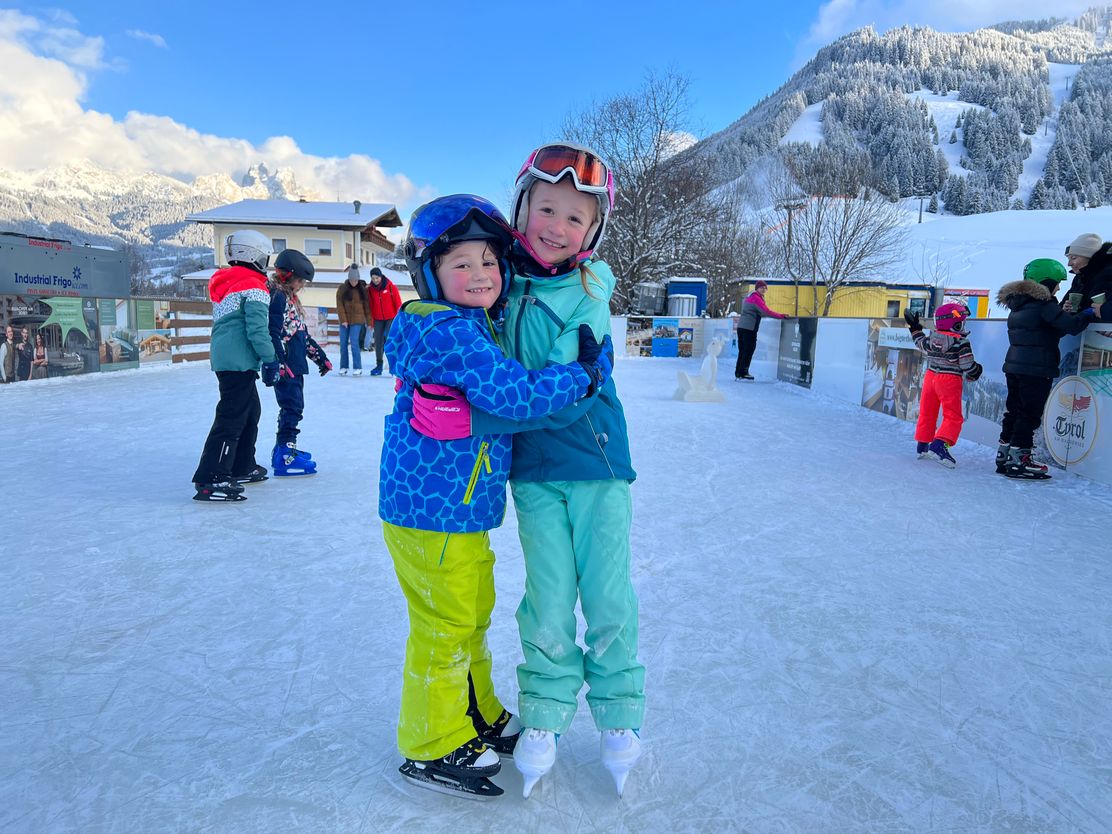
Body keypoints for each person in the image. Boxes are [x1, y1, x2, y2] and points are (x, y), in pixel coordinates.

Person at [410, 143, 644, 798]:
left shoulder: (588, 294)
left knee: (605, 597)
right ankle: (541, 715)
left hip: (594, 463)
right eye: (547, 208)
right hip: (533, 472)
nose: (556, 226)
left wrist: (473, 421)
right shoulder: (500, 282)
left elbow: (564, 390)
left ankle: (620, 715)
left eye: (575, 218)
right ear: (523, 208)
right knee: (544, 600)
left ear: (592, 232)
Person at [190, 230, 277, 502]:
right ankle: (211, 477)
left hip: (227, 357)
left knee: (250, 411)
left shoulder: (228, 282)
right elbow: (257, 330)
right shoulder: (254, 286)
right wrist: (271, 359)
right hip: (238, 360)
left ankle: (241, 465)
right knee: (232, 417)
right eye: (265, 256)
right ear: (253, 254)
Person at [995, 259, 1094, 480]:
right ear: (1046, 282)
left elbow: (1044, 331)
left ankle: (1005, 455)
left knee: (1014, 410)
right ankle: (1020, 459)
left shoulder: (1020, 304)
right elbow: (1071, 327)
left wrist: (1060, 311)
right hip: (1036, 368)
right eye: (1057, 283)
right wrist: (1086, 314)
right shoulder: (1043, 305)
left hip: (1014, 365)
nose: (1059, 288)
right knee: (1028, 414)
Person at [267, 249, 332, 477]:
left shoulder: (289, 299)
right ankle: (285, 454)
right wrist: (279, 362)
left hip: (294, 364)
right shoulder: (277, 297)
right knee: (292, 407)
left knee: (293, 407)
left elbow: (300, 334)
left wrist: (320, 359)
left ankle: (283, 450)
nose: (302, 284)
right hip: (287, 366)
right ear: (288, 276)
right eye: (300, 280)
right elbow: (272, 332)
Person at [904, 303, 982, 468]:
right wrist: (976, 371)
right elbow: (967, 365)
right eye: (962, 322)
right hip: (949, 380)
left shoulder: (932, 338)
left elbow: (919, 342)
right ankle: (940, 445)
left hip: (931, 378)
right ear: (956, 324)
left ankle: (923, 445)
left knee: (928, 411)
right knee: (953, 416)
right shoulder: (961, 342)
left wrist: (914, 327)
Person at [734, 280, 788, 380]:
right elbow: (766, 311)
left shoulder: (750, 297)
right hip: (748, 328)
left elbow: (759, 312)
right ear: (757, 288)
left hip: (742, 327)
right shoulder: (756, 298)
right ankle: (743, 372)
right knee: (749, 349)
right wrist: (781, 316)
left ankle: (739, 372)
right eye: (761, 287)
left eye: (765, 288)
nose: (764, 289)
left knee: (743, 350)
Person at [1061, 233, 1112, 311]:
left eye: (1073, 258)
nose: (1069, 264)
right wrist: (1064, 309)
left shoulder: (1107, 275)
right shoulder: (1079, 278)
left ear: (1089, 257)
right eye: (1068, 259)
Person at [366, 266, 401, 375]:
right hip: (377, 320)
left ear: (381, 277)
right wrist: (371, 321)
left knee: (389, 342)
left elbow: (398, 304)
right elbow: (370, 306)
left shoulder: (391, 287)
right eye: (373, 278)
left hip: (390, 318)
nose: (375, 280)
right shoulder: (370, 290)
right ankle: (379, 365)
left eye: (377, 278)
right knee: (378, 343)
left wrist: (398, 320)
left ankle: (392, 366)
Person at [335, 264, 369, 376]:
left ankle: (357, 367)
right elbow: (339, 305)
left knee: (354, 343)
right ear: (348, 279)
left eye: (356, 280)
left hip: (357, 321)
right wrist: (343, 320)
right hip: (344, 321)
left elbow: (367, 307)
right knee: (343, 343)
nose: (354, 282)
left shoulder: (362, 290)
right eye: (352, 280)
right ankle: (344, 366)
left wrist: (369, 321)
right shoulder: (342, 289)